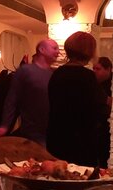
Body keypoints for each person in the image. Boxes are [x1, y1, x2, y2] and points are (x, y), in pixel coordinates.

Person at [46, 31, 108, 167]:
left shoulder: (57, 74)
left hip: (57, 135)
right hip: (81, 138)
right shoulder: (88, 77)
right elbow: (98, 107)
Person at [0, 38, 58, 146]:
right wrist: (5, 125)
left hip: (52, 133)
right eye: (54, 48)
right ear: (42, 49)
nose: (58, 52)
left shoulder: (54, 74)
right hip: (32, 134)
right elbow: (12, 99)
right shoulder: (25, 71)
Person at [92, 56, 113, 159]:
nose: (94, 71)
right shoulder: (93, 82)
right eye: (94, 68)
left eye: (98, 69)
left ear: (108, 69)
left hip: (108, 125)